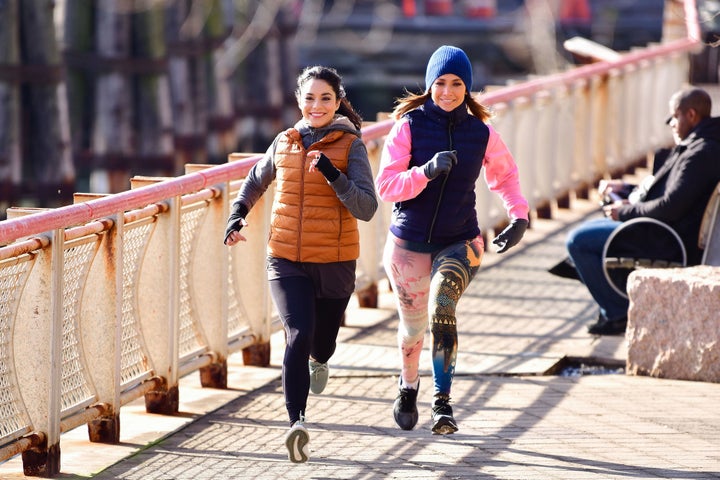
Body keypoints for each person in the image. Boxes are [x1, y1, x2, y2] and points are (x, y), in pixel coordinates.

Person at [223, 65, 378, 463]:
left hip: (335, 261)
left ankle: (321, 360)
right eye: (309, 97)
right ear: (298, 101)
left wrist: (331, 173)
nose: (316, 105)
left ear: (338, 101)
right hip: (286, 257)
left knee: (322, 342)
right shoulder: (285, 142)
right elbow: (255, 180)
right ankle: (297, 423)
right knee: (297, 333)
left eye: (325, 98)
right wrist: (236, 215)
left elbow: (366, 207)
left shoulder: (351, 146)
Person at [375, 45, 530, 435]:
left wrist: (519, 216)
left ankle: (442, 404)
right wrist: (424, 172)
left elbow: (505, 177)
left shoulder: (481, 133)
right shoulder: (408, 127)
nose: (448, 91)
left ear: (468, 87)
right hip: (408, 244)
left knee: (442, 308)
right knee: (412, 330)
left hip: (460, 240)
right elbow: (386, 187)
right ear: (429, 86)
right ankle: (408, 385)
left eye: (457, 83)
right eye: (440, 83)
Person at [565, 86, 720, 335]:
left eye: (674, 116)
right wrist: (626, 188)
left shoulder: (701, 153)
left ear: (691, 115)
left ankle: (618, 312)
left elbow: (670, 206)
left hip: (666, 239)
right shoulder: (700, 146)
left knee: (579, 242)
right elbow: (671, 193)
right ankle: (619, 308)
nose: (670, 123)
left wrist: (624, 213)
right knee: (584, 233)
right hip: (660, 230)